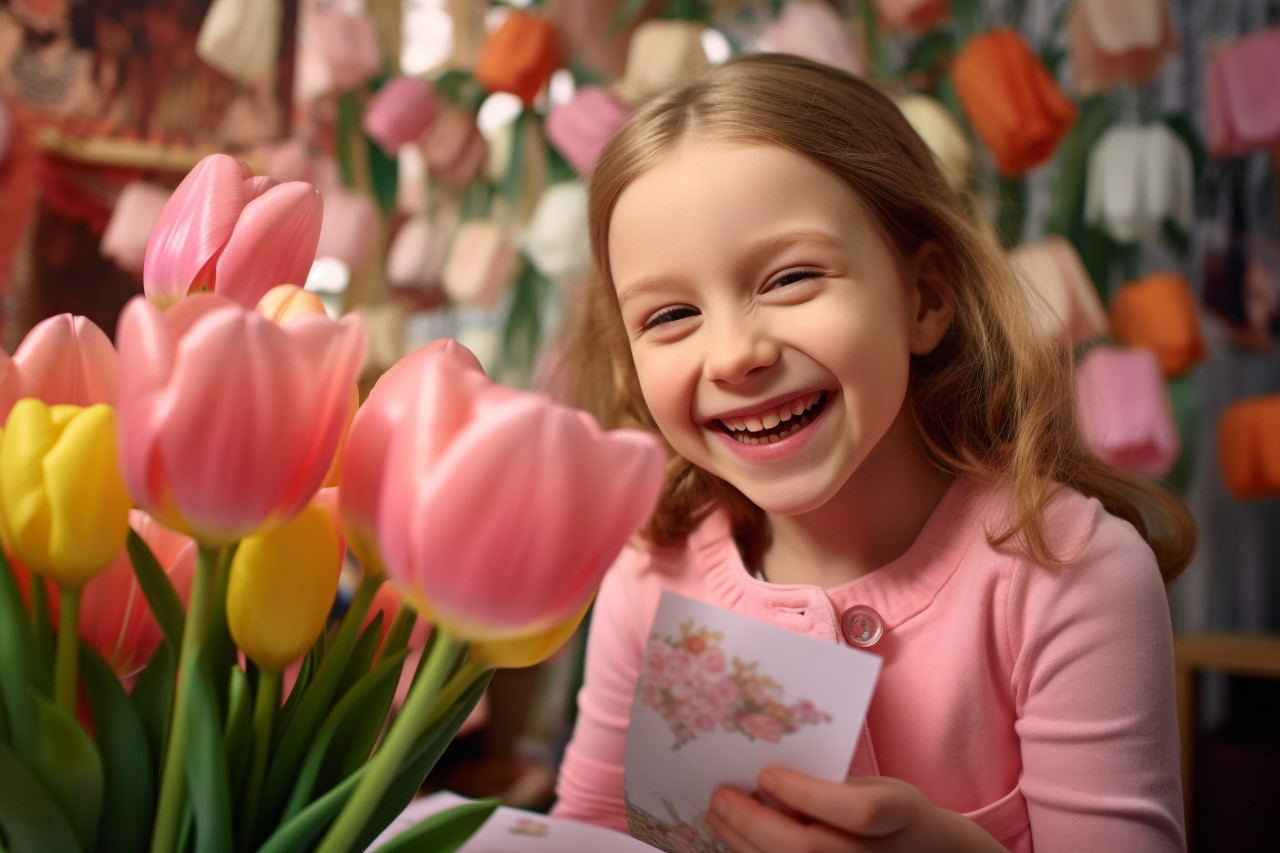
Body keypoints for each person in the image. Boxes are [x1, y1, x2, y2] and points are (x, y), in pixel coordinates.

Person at [547, 52, 1195, 853]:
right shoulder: (651, 576)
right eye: (671, 314)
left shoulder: (1069, 572)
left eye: (789, 278)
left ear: (925, 297)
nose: (731, 355)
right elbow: (588, 835)